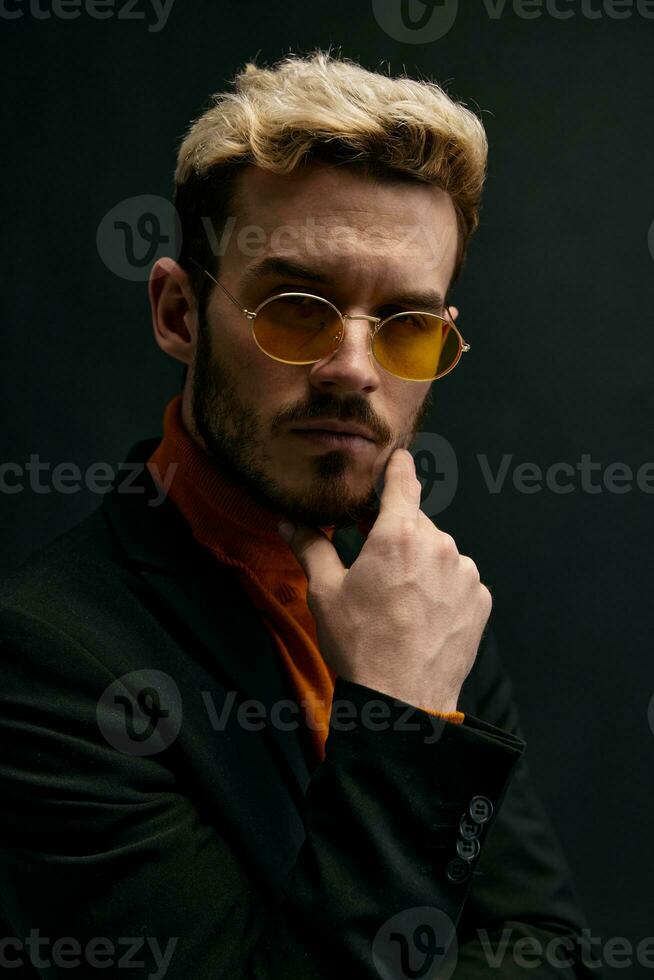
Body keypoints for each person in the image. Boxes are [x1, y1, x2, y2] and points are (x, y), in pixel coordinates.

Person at [0, 51, 598, 979]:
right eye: (293, 308)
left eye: (405, 325)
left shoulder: (418, 596)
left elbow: (552, 953)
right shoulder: (43, 663)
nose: (355, 370)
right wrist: (397, 716)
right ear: (178, 313)